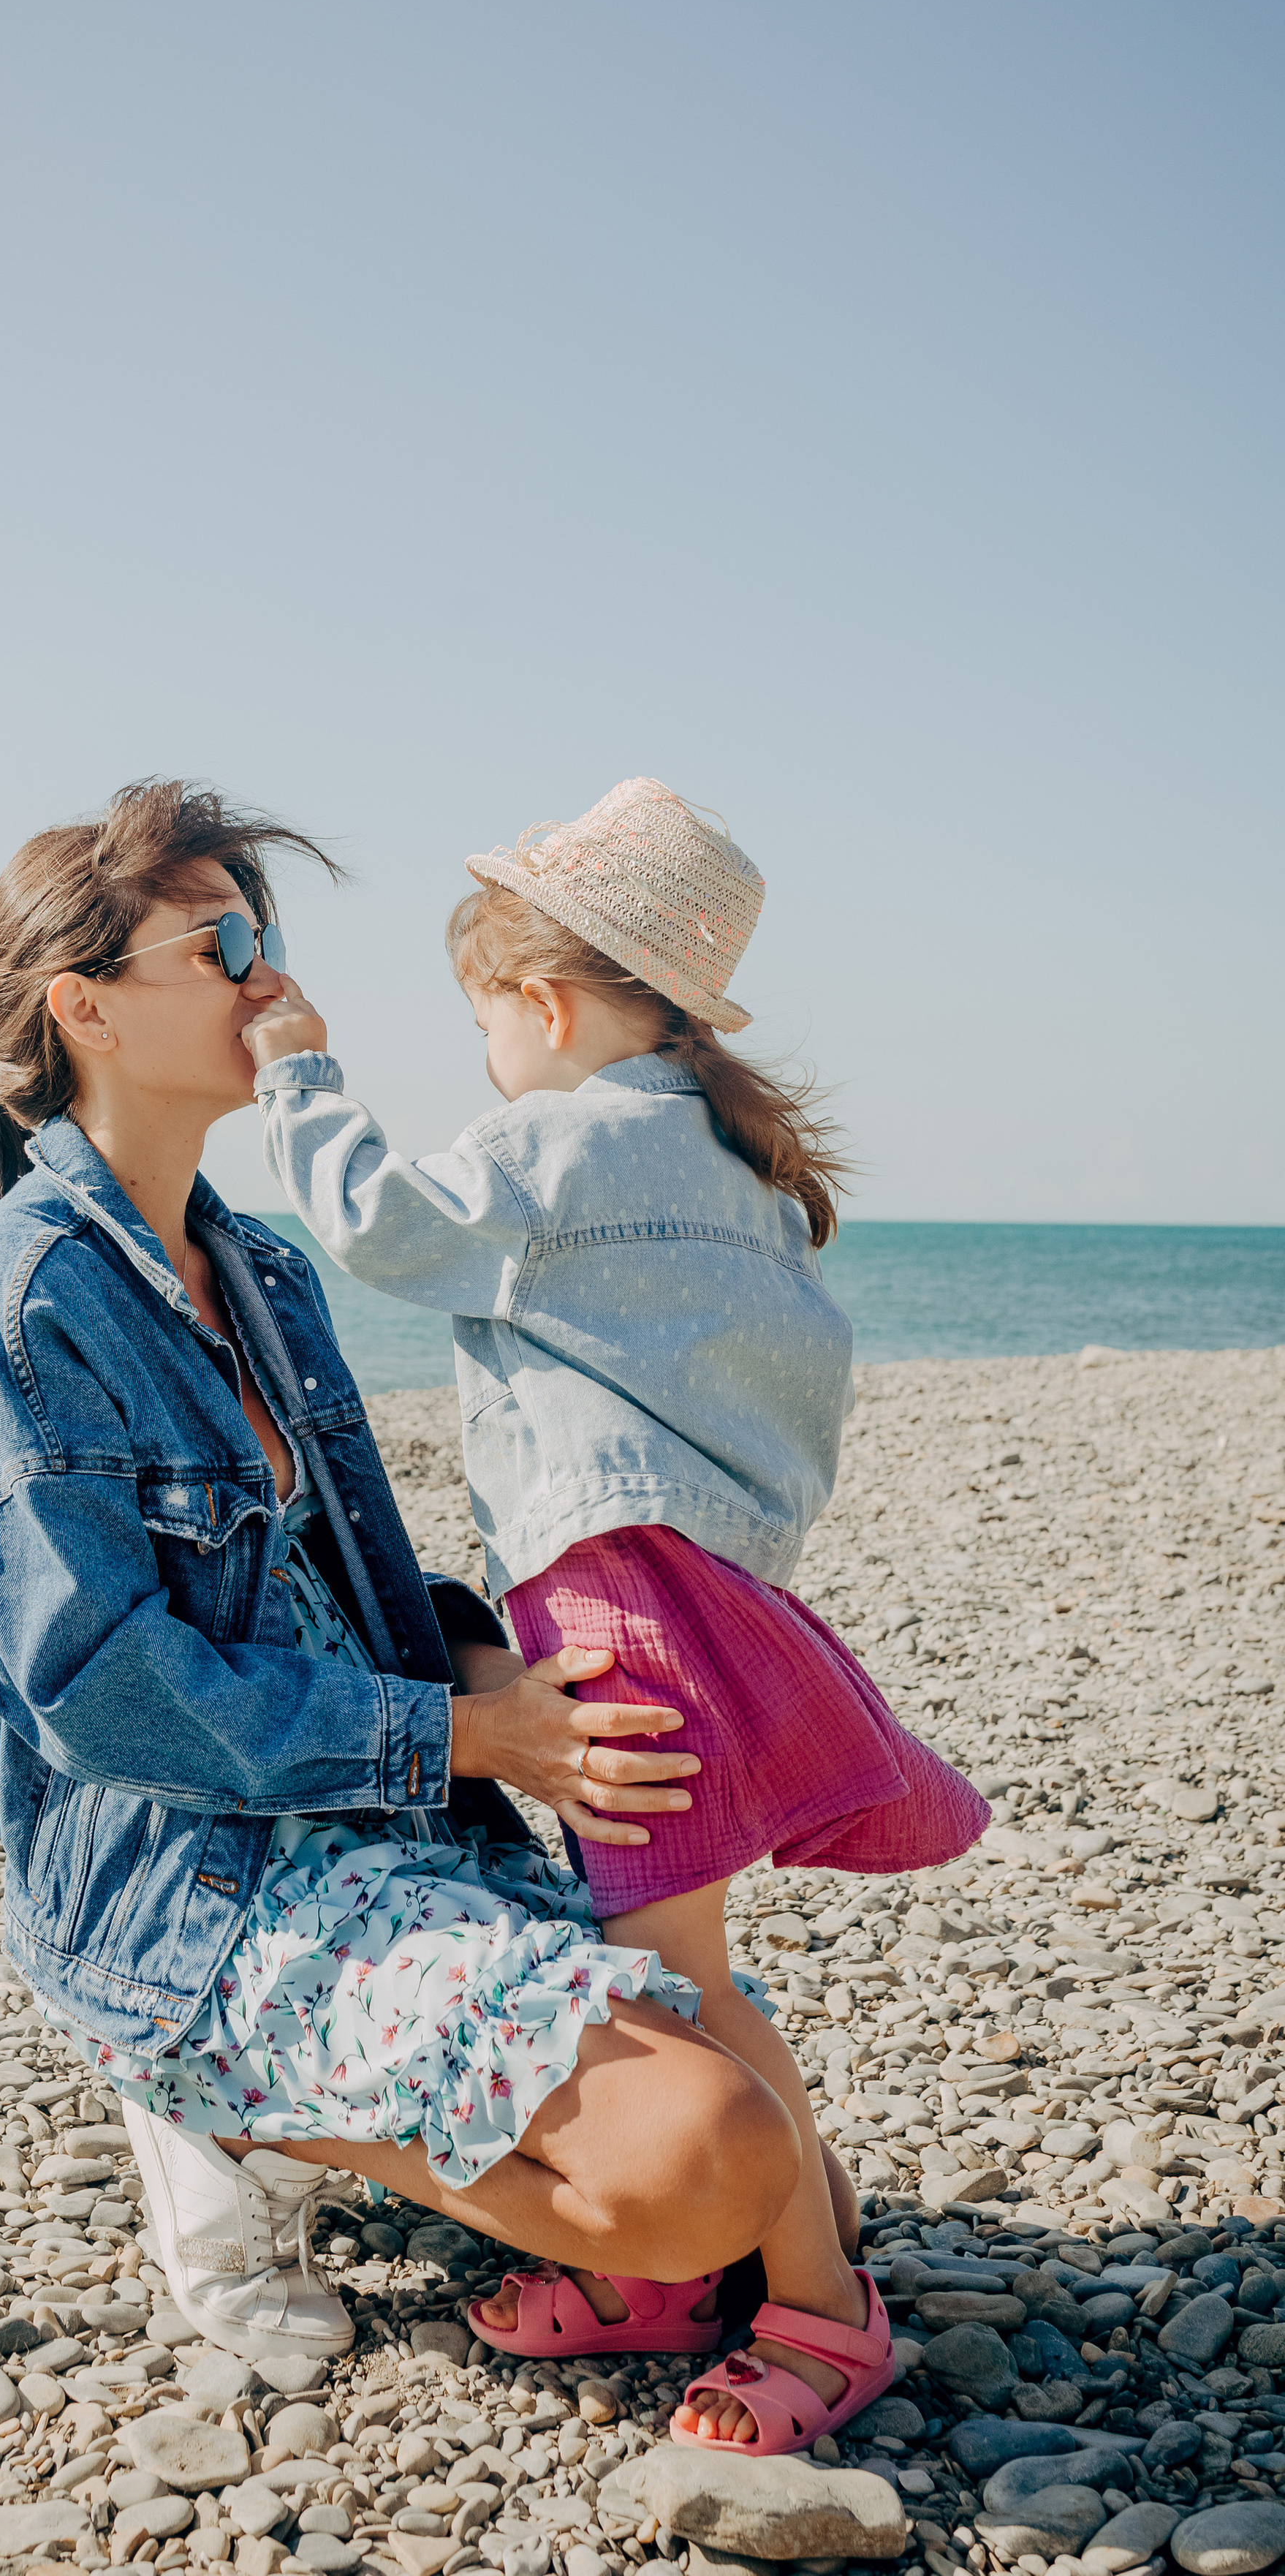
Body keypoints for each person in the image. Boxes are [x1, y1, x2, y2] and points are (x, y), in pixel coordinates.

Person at [0, 777, 817, 2370]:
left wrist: (496, 1682)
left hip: (390, 1828)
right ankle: (209, 2102)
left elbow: (355, 1577)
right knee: (703, 2168)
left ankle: (283, 2102)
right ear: (88, 1011)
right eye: (223, 944)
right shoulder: (20, 1300)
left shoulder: (258, 1269)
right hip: (193, 1886)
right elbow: (93, 1688)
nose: (271, 982)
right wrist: (462, 1739)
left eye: (265, 939)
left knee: (737, 2128)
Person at [248, 776, 988, 2451]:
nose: (487, 1072)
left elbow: (377, 1225)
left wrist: (299, 1073)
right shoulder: (729, 1161)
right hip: (706, 1591)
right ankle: (676, 2274)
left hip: (617, 1605)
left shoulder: (557, 1139)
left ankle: (819, 2305)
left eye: (484, 1032)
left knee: (678, 1984)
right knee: (651, 1954)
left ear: (544, 1002)